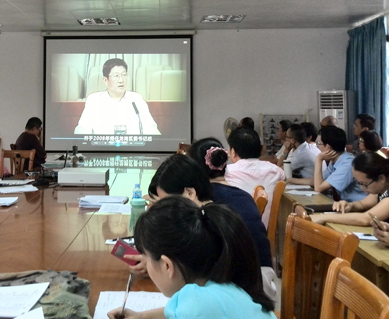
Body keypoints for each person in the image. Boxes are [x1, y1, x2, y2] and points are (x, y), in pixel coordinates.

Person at [107, 197, 275, 319]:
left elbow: (191, 310)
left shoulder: (199, 305)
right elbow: (178, 309)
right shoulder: (214, 288)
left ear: (167, 265)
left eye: (147, 258)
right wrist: (143, 316)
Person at [147, 149, 276, 301]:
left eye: (168, 203)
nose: (167, 210)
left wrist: (158, 265)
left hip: (254, 290)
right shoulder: (211, 202)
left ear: (190, 193)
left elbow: (197, 280)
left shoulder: (215, 220)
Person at [313, 152, 389, 226]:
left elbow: (366, 219)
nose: (362, 188)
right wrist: (349, 205)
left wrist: (323, 217)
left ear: (381, 178)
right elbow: (362, 204)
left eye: (364, 184)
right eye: (359, 183)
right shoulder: (383, 187)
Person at [74, 58, 161, 135]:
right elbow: (82, 130)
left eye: (124, 75)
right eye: (116, 76)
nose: (121, 80)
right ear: (105, 80)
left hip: (133, 147)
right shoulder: (94, 100)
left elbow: (151, 129)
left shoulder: (136, 99)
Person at [225, 127, 285, 227]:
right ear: (260, 150)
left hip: (235, 232)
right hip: (266, 231)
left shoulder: (226, 173)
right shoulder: (275, 171)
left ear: (233, 152)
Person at [290, 126, 366, 201]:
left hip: (359, 206)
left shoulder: (347, 164)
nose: (317, 147)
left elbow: (318, 188)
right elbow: (318, 181)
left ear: (328, 147)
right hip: (346, 204)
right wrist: (290, 180)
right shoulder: (335, 161)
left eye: (318, 143)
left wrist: (319, 159)